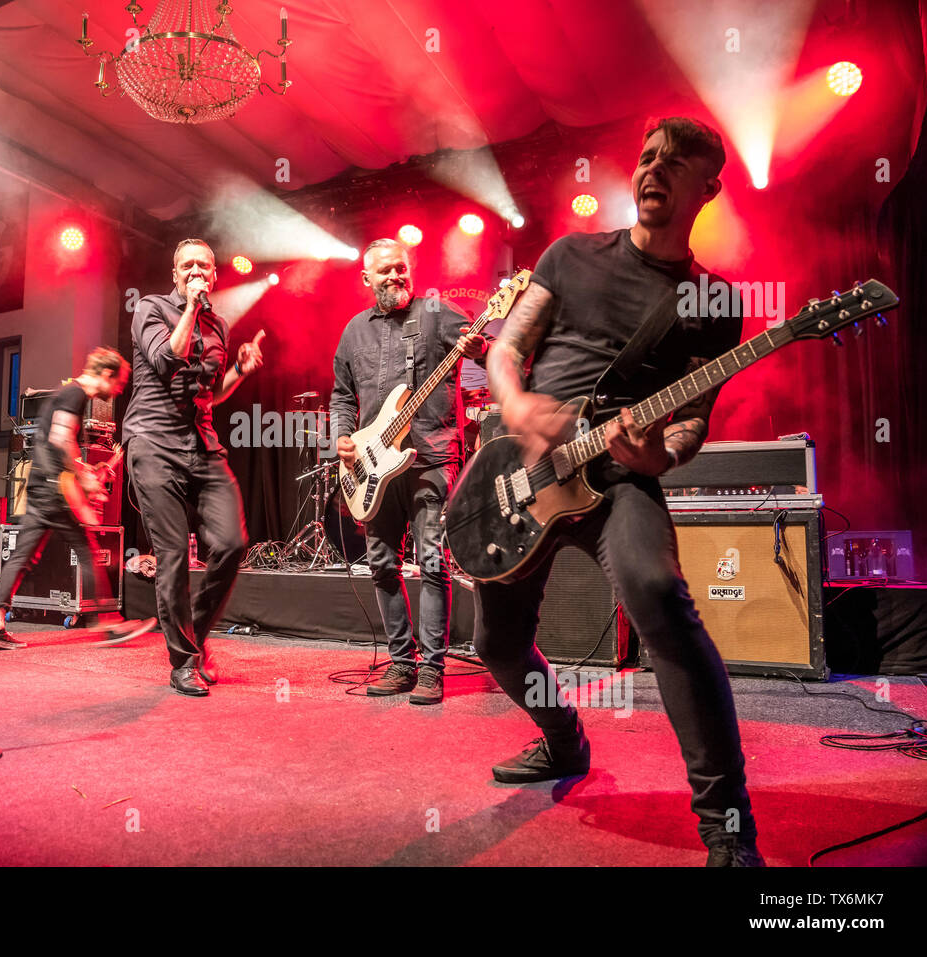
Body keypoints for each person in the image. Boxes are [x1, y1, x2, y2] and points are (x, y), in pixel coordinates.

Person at [476, 117, 762, 866]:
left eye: (673, 162)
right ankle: (564, 739)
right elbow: (506, 346)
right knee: (496, 644)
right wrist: (517, 405)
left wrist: (659, 455)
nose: (651, 169)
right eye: (645, 157)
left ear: (710, 187)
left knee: (659, 592)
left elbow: (693, 420)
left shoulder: (716, 303)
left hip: (617, 474)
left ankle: (728, 830)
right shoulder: (571, 255)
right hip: (525, 469)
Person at [329, 238, 487, 705]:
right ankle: (402, 662)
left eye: (401, 268)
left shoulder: (436, 312)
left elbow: (485, 348)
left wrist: (478, 348)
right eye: (385, 271)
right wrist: (342, 437)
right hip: (374, 461)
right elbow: (341, 394)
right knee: (382, 564)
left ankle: (433, 670)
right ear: (366, 279)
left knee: (433, 562)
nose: (396, 276)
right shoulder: (354, 331)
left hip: (431, 455)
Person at [123, 238, 264, 697]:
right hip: (153, 441)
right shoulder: (149, 308)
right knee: (174, 554)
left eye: (204, 265)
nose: (196, 270)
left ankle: (195, 639)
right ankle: (182, 661)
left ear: (217, 274)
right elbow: (170, 357)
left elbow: (210, 393)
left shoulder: (220, 324)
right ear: (175, 274)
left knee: (232, 542)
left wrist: (239, 371)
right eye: (187, 265)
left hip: (201, 444)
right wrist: (188, 307)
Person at [0, 348, 153, 649]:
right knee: (87, 551)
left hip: (42, 487)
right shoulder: (74, 395)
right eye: (118, 385)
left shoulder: (70, 395)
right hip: (53, 490)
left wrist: (92, 469)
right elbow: (61, 442)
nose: (116, 392)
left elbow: (59, 445)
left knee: (23, 556)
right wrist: (84, 482)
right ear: (106, 374)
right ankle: (107, 624)